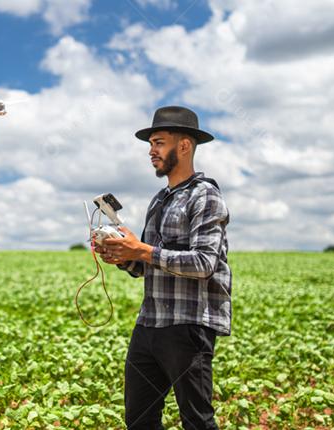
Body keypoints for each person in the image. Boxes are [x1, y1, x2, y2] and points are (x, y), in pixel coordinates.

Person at [97, 106, 232, 430]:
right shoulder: (159, 199)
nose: (151, 151)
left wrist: (141, 250)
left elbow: (204, 263)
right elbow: (147, 263)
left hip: (189, 325)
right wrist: (122, 255)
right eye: (151, 144)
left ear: (184, 146)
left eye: (159, 142)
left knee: (197, 421)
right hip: (150, 323)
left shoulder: (206, 196)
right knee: (139, 420)